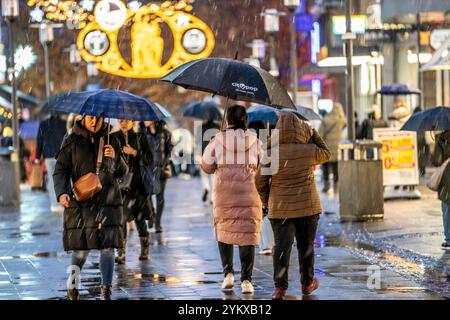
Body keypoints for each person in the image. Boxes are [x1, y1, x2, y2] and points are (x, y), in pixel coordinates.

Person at [256, 113, 330, 299]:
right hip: (308, 207)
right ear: (300, 129)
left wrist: (268, 201)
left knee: (281, 248)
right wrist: (312, 132)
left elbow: (260, 181)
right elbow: (327, 153)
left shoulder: (271, 152)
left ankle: (279, 289)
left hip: (280, 210)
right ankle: (307, 283)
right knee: (306, 247)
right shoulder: (309, 149)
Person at [53, 115, 128, 300]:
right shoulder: (71, 140)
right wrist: (62, 192)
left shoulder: (113, 139)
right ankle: (72, 285)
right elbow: (61, 169)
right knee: (81, 248)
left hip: (108, 202)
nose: (94, 122)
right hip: (81, 202)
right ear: (83, 118)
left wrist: (116, 157)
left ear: (103, 119)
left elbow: (123, 172)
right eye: (90, 118)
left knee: (108, 248)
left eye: (97, 118)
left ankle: (106, 289)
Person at [202, 105, 262, 295]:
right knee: (247, 233)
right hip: (249, 194)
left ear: (228, 120)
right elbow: (265, 165)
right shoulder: (255, 140)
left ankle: (228, 274)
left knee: (225, 229)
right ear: (246, 121)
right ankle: (246, 280)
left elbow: (206, 166)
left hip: (224, 195)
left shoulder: (217, 139)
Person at [112, 119, 153, 264]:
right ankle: (121, 252)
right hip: (121, 185)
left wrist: (135, 152)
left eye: (126, 120)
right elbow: (110, 160)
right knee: (121, 218)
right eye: (121, 120)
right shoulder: (114, 137)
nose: (123, 122)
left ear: (132, 122)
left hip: (138, 184)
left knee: (140, 218)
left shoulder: (140, 137)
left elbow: (149, 159)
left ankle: (144, 248)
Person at [141, 120, 173, 233]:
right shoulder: (143, 134)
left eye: (147, 118)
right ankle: (151, 215)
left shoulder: (166, 133)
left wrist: (163, 162)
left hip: (162, 169)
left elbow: (169, 151)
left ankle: (158, 223)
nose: (145, 121)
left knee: (160, 197)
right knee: (148, 195)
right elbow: (142, 151)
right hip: (148, 169)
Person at [36, 114, 67, 212]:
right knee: (61, 177)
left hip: (48, 155)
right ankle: (62, 200)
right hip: (60, 154)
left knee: (51, 178)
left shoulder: (43, 124)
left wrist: (37, 156)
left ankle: (54, 204)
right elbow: (66, 139)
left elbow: (39, 140)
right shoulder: (63, 124)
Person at [318, 102, 347, 193]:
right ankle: (336, 187)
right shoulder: (341, 120)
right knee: (336, 168)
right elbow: (345, 123)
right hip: (337, 147)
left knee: (325, 166)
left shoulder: (326, 119)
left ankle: (326, 186)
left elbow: (320, 134)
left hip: (327, 146)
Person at [431, 130, 450, 249]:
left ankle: (449, 238)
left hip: (448, 179)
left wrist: (437, 143)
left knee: (447, 208)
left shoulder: (442, 138)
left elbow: (436, 161)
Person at [195, 118, 220, 202]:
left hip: (204, 154)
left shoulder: (201, 128)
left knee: (204, 175)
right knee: (213, 176)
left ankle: (206, 187)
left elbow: (198, 143)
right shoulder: (218, 127)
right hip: (215, 154)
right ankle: (212, 198)